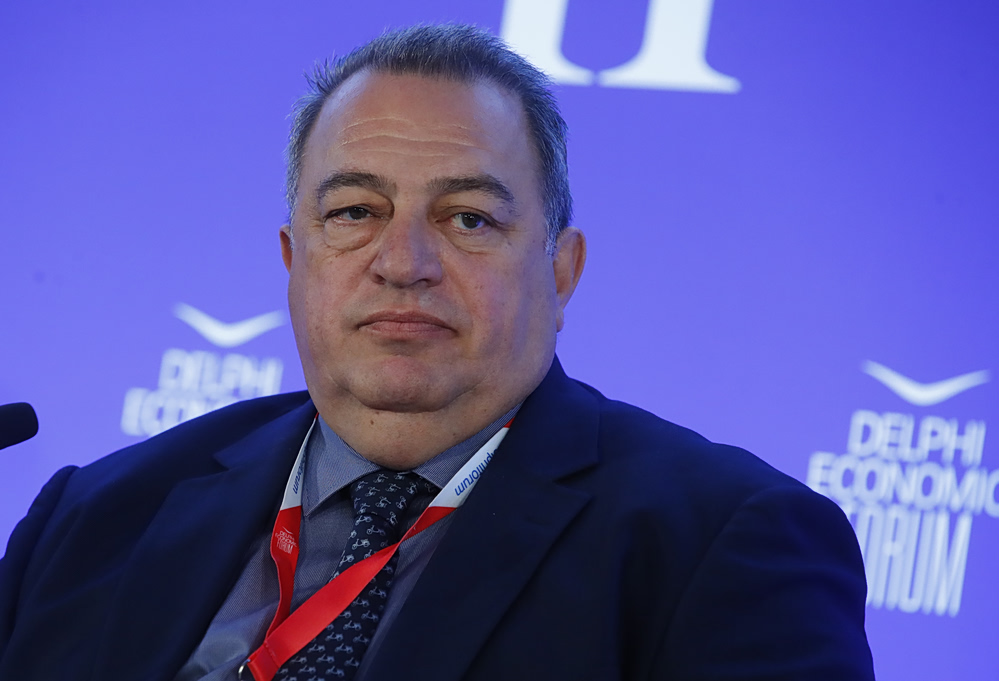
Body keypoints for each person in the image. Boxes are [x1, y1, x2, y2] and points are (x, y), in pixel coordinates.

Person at [0, 24, 874, 681]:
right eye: (354, 212)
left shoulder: (725, 547)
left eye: (468, 218)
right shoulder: (94, 516)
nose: (404, 263)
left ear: (561, 272)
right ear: (293, 261)